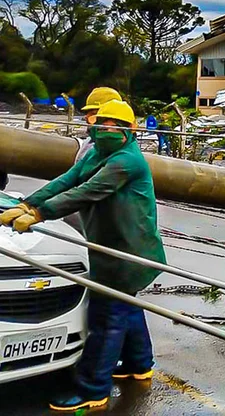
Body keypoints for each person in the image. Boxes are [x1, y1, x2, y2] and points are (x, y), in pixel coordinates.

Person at [0, 100, 167, 412]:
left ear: (131, 130)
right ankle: (139, 364)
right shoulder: (94, 153)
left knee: (106, 318)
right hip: (114, 248)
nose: (107, 128)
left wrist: (39, 213)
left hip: (128, 253)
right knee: (127, 309)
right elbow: (69, 180)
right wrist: (28, 204)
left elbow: (87, 191)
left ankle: (93, 389)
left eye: (115, 124)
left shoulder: (127, 161)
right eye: (102, 121)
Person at [76, 87, 123, 163]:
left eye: (94, 114)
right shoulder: (89, 143)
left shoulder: (119, 153)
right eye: (88, 113)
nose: (87, 118)